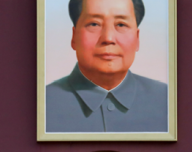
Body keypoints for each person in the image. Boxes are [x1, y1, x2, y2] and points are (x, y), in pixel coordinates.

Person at [45, 0, 168, 133]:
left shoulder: (168, 101)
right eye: (94, 24)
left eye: (121, 24)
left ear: (137, 38)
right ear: (74, 37)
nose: (108, 38)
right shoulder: (42, 104)